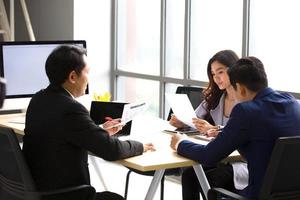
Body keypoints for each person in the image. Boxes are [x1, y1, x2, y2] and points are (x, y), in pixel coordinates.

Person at [22, 45, 155, 200]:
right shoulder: (71, 109)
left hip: (37, 191)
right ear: (72, 77)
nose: (89, 78)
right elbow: (112, 150)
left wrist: (99, 130)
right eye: (87, 72)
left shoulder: (38, 99)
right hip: (65, 195)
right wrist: (140, 146)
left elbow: (63, 134)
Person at [170, 56, 300, 199]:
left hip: (256, 196)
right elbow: (265, 134)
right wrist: (225, 133)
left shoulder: (246, 111)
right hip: (290, 195)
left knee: (211, 186)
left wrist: (180, 143)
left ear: (241, 88)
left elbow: (208, 156)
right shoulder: (292, 102)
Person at [170, 50, 248, 200]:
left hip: (240, 162)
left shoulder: (245, 100)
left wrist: (214, 128)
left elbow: (239, 131)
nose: (216, 78)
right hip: (220, 157)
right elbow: (195, 120)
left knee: (209, 179)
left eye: (220, 72)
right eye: (213, 74)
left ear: (233, 70)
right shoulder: (216, 96)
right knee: (189, 175)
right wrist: (183, 122)